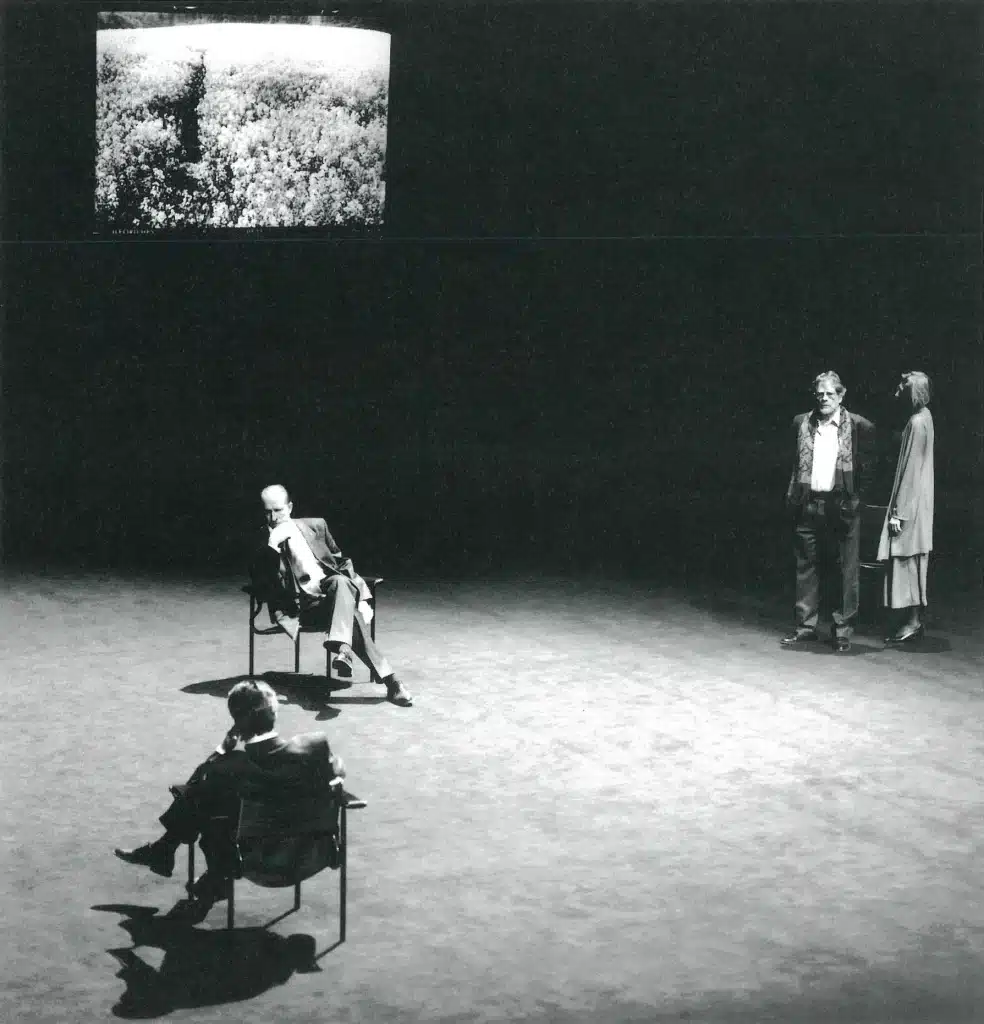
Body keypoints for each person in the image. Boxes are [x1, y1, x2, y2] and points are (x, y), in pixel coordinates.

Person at [115, 680, 359, 922]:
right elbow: (337, 772)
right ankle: (176, 859)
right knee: (217, 799)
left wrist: (222, 749)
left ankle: (172, 855)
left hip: (256, 862)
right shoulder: (315, 746)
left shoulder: (232, 765)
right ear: (274, 712)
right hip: (312, 855)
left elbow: (201, 776)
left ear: (238, 722)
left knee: (204, 797)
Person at [250, 484, 412, 707]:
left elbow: (342, 563)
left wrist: (364, 597)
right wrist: (272, 546)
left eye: (278, 510)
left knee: (339, 581)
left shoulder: (316, 526)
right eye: (267, 511)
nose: (273, 517)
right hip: (301, 608)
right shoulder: (260, 540)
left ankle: (346, 651)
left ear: (290, 507)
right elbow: (262, 582)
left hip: (334, 598)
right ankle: (391, 683)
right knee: (349, 613)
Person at [781, 371, 876, 653]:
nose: (824, 399)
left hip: (843, 506)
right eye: (820, 394)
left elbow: (869, 472)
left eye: (830, 394)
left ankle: (842, 631)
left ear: (841, 395)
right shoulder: (802, 422)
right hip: (808, 502)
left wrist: (856, 500)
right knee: (806, 566)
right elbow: (793, 464)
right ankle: (805, 627)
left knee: (845, 570)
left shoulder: (860, 426)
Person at [877, 371, 934, 643]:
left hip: (911, 504)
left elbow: (911, 470)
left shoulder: (917, 422)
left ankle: (912, 621)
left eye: (902, 387)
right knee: (911, 558)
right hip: (918, 501)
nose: (897, 392)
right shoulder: (925, 418)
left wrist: (898, 512)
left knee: (907, 556)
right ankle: (911, 619)